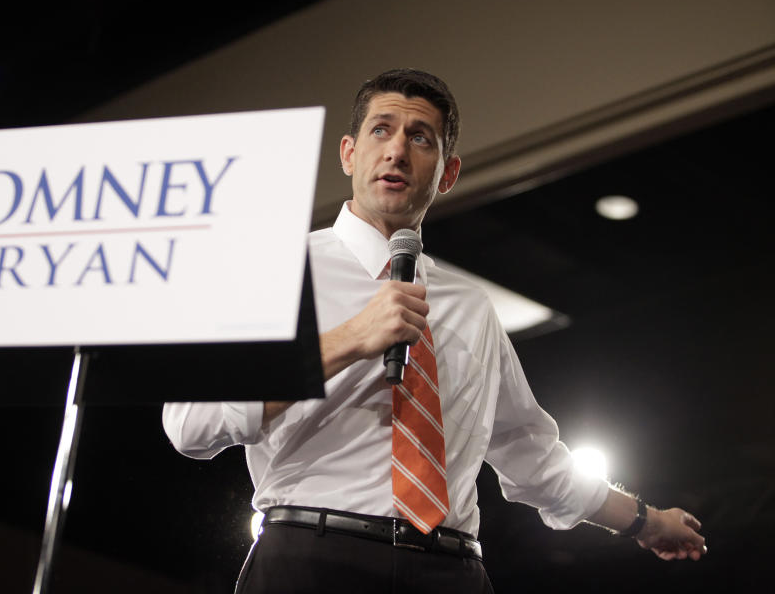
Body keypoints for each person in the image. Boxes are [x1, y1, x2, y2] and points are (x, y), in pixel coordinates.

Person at [162, 69, 706, 593]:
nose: (397, 150)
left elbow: (531, 454)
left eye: (420, 138)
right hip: (311, 557)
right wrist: (348, 339)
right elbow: (192, 423)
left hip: (451, 570)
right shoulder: (275, 272)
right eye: (382, 130)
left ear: (447, 174)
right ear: (350, 153)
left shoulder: (471, 307)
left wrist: (645, 522)